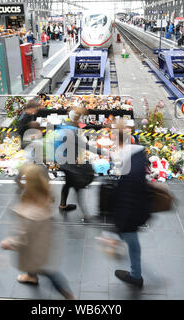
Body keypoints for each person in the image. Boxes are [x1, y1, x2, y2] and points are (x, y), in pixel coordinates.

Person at [1, 164, 76, 300]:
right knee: (40, 266)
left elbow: (23, 238)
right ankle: (31, 276)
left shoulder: (30, 213)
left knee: (48, 272)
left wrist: (8, 243)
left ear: (29, 183)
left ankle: (69, 295)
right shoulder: (45, 193)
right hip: (44, 240)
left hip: (34, 247)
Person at [101, 121, 150, 287]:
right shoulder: (138, 153)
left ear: (115, 139)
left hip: (131, 213)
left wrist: (117, 231)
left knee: (129, 238)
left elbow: (126, 198)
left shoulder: (125, 163)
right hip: (141, 207)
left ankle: (136, 276)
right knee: (132, 240)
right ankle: (135, 273)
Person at [55, 109, 105, 221]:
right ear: (78, 119)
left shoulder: (63, 126)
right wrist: (102, 152)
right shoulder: (73, 131)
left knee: (67, 184)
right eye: (82, 118)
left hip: (62, 161)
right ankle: (86, 215)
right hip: (70, 163)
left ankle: (62, 205)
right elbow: (85, 146)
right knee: (78, 189)